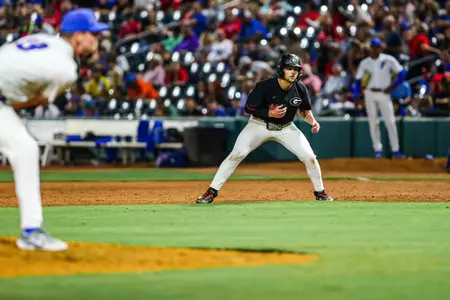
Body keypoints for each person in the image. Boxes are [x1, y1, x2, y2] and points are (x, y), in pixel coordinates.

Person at [0, 8, 108, 251]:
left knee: (25, 149)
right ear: (79, 36)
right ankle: (31, 232)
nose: (98, 39)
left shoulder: (41, 40)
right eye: (94, 34)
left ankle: (31, 230)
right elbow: (33, 101)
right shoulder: (65, 69)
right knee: (25, 149)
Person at [196, 54, 333, 204]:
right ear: (281, 69)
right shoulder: (265, 86)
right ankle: (211, 191)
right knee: (236, 154)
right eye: (289, 68)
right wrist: (269, 113)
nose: (293, 72)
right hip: (259, 125)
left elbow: (304, 110)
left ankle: (320, 192)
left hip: (286, 127)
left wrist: (312, 121)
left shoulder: (300, 89)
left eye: (296, 69)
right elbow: (248, 108)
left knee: (310, 157)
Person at [354, 38, 407, 158]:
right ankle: (377, 150)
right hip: (369, 93)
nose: (375, 49)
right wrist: (357, 95)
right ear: (370, 48)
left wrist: (393, 87)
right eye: (373, 47)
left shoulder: (388, 59)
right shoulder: (365, 62)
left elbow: (402, 73)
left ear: (380, 48)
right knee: (373, 122)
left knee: (390, 121)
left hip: (384, 92)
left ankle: (395, 150)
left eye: (377, 47)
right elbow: (358, 80)